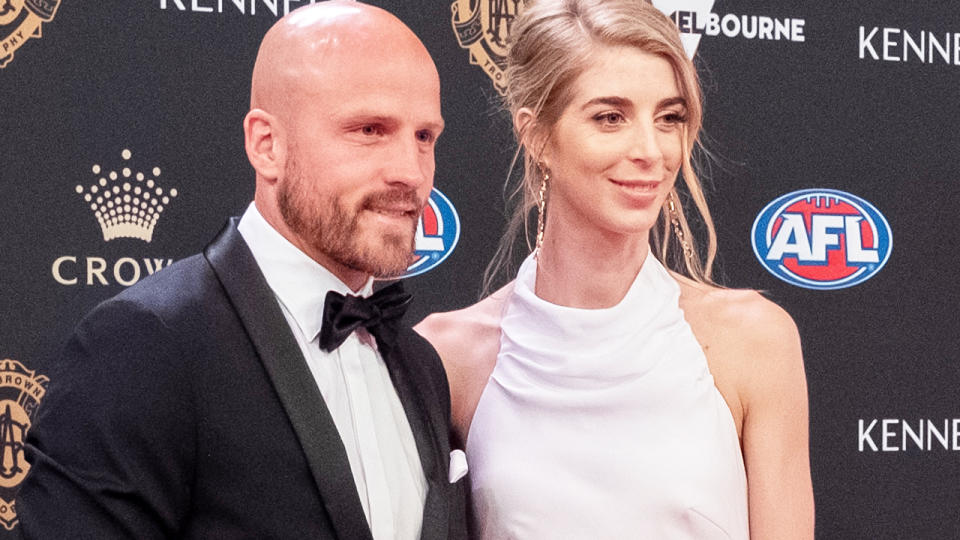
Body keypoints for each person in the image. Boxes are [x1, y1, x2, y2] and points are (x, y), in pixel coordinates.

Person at [19, 2, 467, 538]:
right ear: (267, 145)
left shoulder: (422, 366)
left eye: (424, 136)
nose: (412, 173)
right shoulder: (144, 346)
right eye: (369, 129)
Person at [416, 0, 815, 538]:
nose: (651, 150)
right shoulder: (452, 355)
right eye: (610, 117)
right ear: (537, 137)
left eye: (668, 118)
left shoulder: (754, 340)